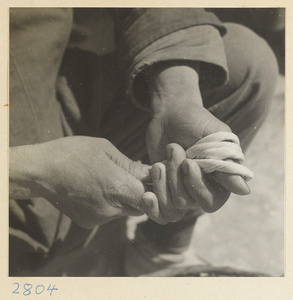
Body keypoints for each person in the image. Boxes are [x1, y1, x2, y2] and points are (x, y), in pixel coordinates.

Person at [9, 8, 278, 276]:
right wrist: (37, 171)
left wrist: (176, 95)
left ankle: (157, 255)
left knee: (244, 61)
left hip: (50, 101)